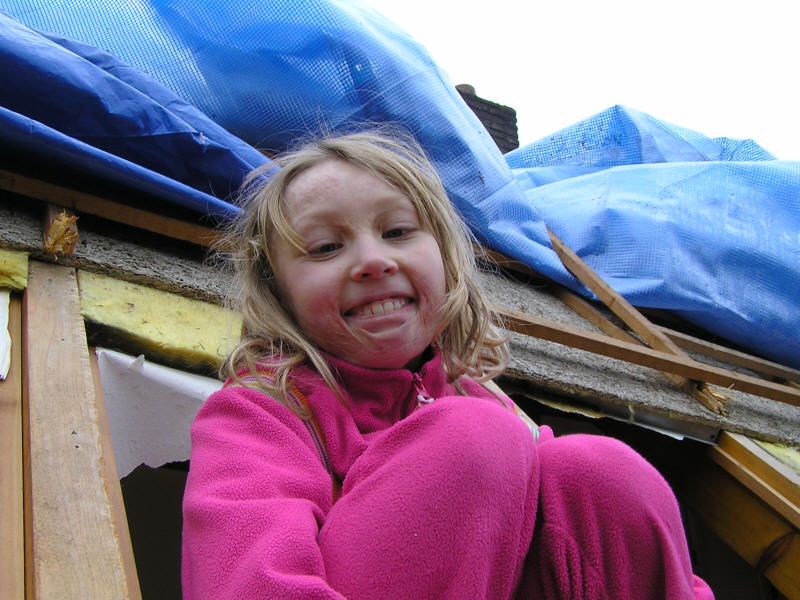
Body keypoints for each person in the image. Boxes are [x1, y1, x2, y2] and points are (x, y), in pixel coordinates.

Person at [181, 130, 714, 599]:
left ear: (446, 260)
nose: (373, 261)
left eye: (397, 232)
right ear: (279, 292)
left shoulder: (480, 399)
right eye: (324, 247)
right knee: (472, 434)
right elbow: (246, 577)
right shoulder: (264, 412)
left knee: (597, 468)